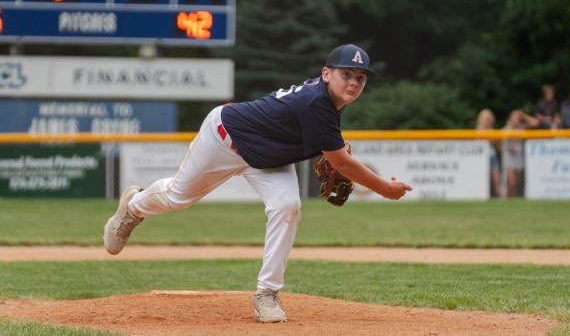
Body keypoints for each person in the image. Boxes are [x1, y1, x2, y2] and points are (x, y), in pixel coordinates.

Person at [103, 44, 412, 323]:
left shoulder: (328, 103)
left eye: (361, 78)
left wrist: (337, 152)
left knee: (287, 206)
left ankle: (267, 293)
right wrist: (385, 188)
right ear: (326, 73)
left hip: (267, 160)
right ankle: (133, 207)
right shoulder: (316, 102)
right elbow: (341, 162)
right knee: (176, 197)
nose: (354, 82)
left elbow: (330, 148)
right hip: (225, 140)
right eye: (347, 74)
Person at [502, 109, 538, 197]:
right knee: (512, 182)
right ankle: (507, 199)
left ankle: (513, 201)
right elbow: (500, 145)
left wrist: (524, 116)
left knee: (517, 183)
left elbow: (535, 123)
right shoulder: (506, 129)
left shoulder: (521, 128)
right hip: (509, 158)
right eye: (515, 118)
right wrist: (509, 148)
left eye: (518, 118)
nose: (517, 120)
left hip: (518, 158)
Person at [475, 109, 502, 197]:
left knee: (497, 178)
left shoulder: (491, 129)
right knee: (482, 178)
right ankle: (482, 195)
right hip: (481, 157)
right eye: (487, 118)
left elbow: (496, 141)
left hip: (491, 155)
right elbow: (488, 139)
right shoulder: (479, 128)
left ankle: (501, 196)